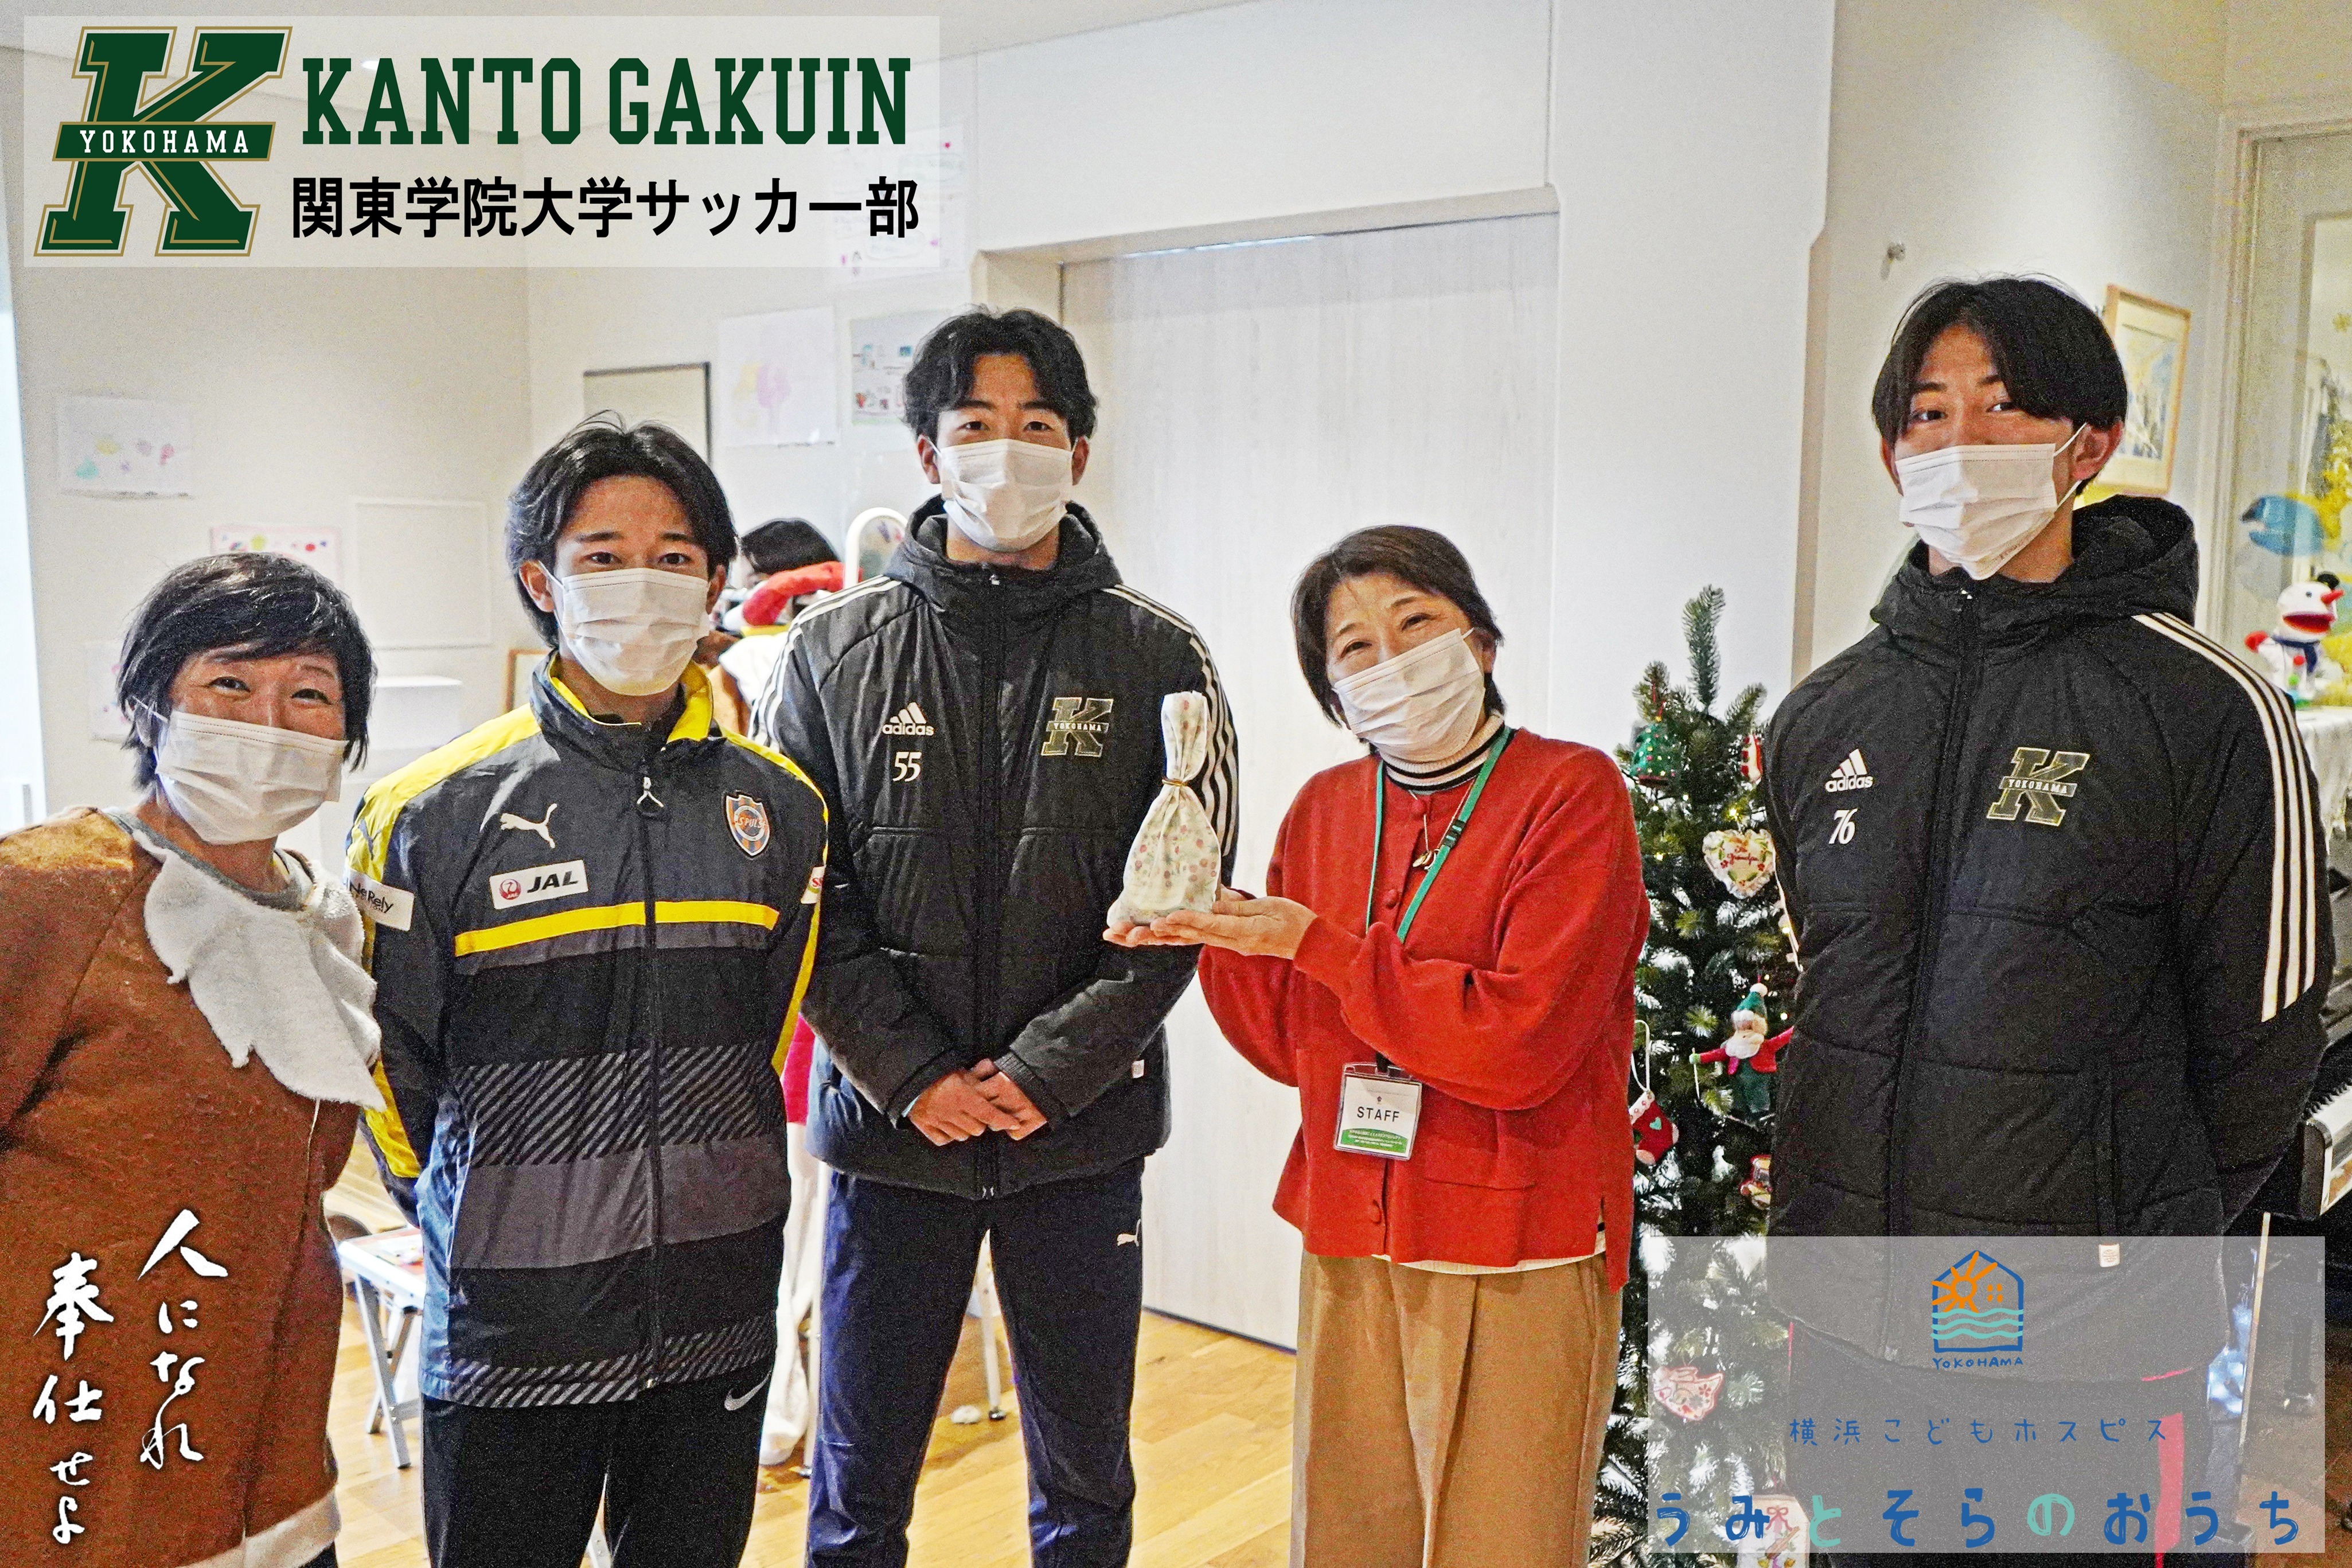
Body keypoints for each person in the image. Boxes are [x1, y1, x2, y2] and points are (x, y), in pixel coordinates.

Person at [1763, 278, 2330, 1558]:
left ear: (2089, 443)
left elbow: (2266, 1036)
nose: (1958, 440)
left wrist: (2137, 1225)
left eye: (2002, 406)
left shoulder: (2205, 707)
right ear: (1889, 451)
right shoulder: (1824, 715)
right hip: (1853, 1314)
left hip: (2083, 1334)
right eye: (1926, 412)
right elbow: (1824, 983)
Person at [755, 306, 1238, 1568]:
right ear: (929, 452)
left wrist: (1043, 1074)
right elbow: (799, 893)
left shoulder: (1160, 655)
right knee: (859, 1479)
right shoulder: (828, 651)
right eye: (976, 424)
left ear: (1078, 450)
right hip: (891, 1134)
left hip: (1077, 1134)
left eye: (1036, 424)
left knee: (1084, 1470)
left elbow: (1179, 897)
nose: (1005, 451)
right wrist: (912, 1073)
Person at [1110, 525, 1645, 1567]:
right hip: (1353, 1215)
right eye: (1354, 647)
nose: (1389, 660)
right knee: (1350, 1530)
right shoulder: (1326, 807)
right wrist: (1213, 931)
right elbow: (1288, 1043)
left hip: (1518, 1228)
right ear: (1333, 689)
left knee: (1507, 1537)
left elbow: (1521, 1041)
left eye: (1415, 623)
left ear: (1480, 641)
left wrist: (1313, 943)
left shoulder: (1570, 790)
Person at [352, 419, 829, 1568]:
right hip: (514, 1313)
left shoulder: (782, 806)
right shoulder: (432, 810)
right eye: (604, 555)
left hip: (717, 1293)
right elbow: (383, 1053)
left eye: (675, 557)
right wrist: (472, 1209)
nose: (642, 582)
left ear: (714, 584)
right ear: (541, 579)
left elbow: (764, 1028)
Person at [0, 553, 378, 1568]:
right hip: (75, 1447)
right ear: (150, 703)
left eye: (310, 694)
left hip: (275, 1455)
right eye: (229, 682)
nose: (269, 722)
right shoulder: (51, 889)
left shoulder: (327, 917)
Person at [708, 517, 842, 733]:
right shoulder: (719, 652)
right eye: (746, 586)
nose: (751, 597)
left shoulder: (751, 655)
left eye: (757, 584)